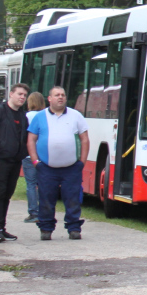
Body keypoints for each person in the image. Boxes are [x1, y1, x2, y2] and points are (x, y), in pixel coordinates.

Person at [28, 86, 91, 241]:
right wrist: (36, 161)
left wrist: (81, 162)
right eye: (56, 95)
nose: (60, 97)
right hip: (47, 168)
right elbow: (31, 140)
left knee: (73, 199)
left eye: (63, 95)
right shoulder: (40, 117)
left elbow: (85, 139)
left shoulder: (76, 115)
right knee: (46, 199)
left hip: (71, 168)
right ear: (49, 99)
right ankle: (46, 228)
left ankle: (74, 228)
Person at [0, 83, 30, 243]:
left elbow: (24, 136)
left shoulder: (22, 115)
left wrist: (22, 152)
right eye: (19, 94)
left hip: (14, 160)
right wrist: (0, 146)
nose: (22, 97)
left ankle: (2, 227)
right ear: (11, 94)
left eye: (24, 95)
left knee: (7, 194)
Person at [21, 91, 45, 224]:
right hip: (43, 154)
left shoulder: (26, 116)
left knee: (31, 184)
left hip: (29, 155)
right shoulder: (45, 116)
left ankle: (33, 212)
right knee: (43, 184)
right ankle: (44, 211)